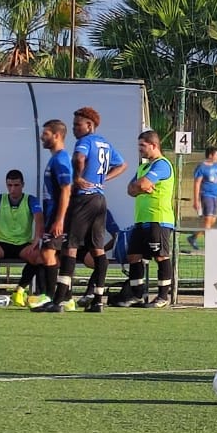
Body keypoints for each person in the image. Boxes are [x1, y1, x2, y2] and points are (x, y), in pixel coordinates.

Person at [53, 106, 126, 313]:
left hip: (84, 199)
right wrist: (102, 180)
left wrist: (77, 178)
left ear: (89, 125)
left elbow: (78, 158)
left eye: (78, 124)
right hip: (100, 199)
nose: (75, 128)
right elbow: (122, 164)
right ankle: (97, 301)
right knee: (98, 249)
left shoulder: (84, 142)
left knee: (70, 247)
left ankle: (58, 301)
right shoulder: (105, 143)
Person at [120, 130, 177, 309]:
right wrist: (140, 187)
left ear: (153, 145)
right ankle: (137, 295)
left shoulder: (162, 165)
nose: (140, 150)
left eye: (142, 146)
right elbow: (130, 189)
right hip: (141, 220)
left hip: (157, 219)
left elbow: (142, 184)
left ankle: (162, 297)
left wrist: (141, 186)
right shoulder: (143, 167)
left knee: (160, 256)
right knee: (134, 256)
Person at [0, 170, 41, 307]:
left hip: (22, 244)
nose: (12, 189)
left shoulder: (30, 199)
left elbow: (39, 219)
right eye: (9, 185)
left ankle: (19, 291)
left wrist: (36, 240)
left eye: (16, 185)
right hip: (2, 243)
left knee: (38, 256)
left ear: (23, 185)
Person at [33, 120, 73, 311]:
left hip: (57, 217)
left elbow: (66, 189)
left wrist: (60, 219)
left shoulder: (61, 159)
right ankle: (66, 298)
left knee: (48, 253)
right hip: (51, 215)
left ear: (57, 135)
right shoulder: (55, 158)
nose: (42, 137)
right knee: (51, 255)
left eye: (46, 133)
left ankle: (50, 299)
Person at [191, 147, 217, 249]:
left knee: (212, 220)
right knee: (208, 220)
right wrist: (196, 200)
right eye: (216, 155)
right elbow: (197, 183)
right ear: (210, 155)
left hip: (215, 195)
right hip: (206, 196)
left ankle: (193, 237)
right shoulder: (201, 168)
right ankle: (209, 244)